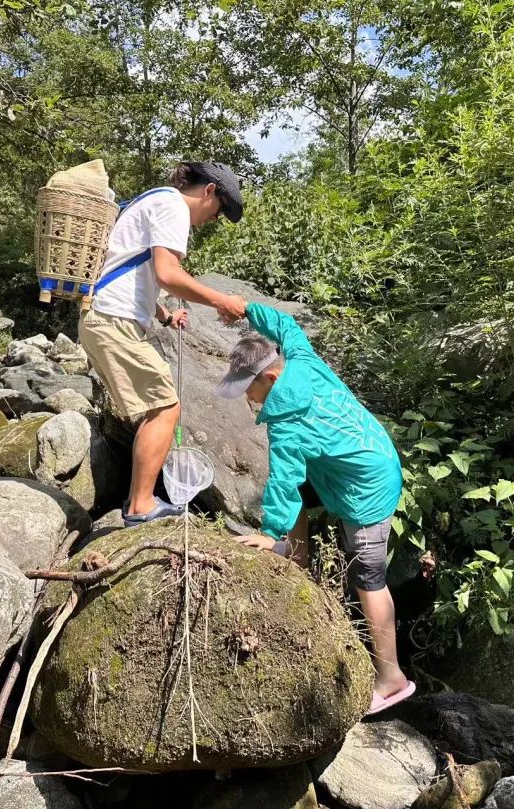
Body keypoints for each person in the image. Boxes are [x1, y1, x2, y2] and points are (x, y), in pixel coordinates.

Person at [215, 302, 416, 715]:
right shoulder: (301, 358)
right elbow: (285, 324)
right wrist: (245, 308)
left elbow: (283, 481)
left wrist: (270, 533)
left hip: (368, 490)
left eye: (248, 389)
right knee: (304, 494)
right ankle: (300, 558)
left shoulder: (286, 422)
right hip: (371, 455)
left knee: (368, 577)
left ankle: (392, 678)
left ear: (269, 377)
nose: (247, 399)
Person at [80, 160, 248, 527]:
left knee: (157, 407)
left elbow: (130, 269)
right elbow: (168, 274)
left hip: (105, 316)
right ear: (208, 191)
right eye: (219, 211)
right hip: (113, 322)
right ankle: (140, 505)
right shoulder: (173, 207)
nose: (213, 219)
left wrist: (164, 316)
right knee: (166, 408)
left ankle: (141, 498)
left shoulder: (151, 200)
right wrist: (223, 300)